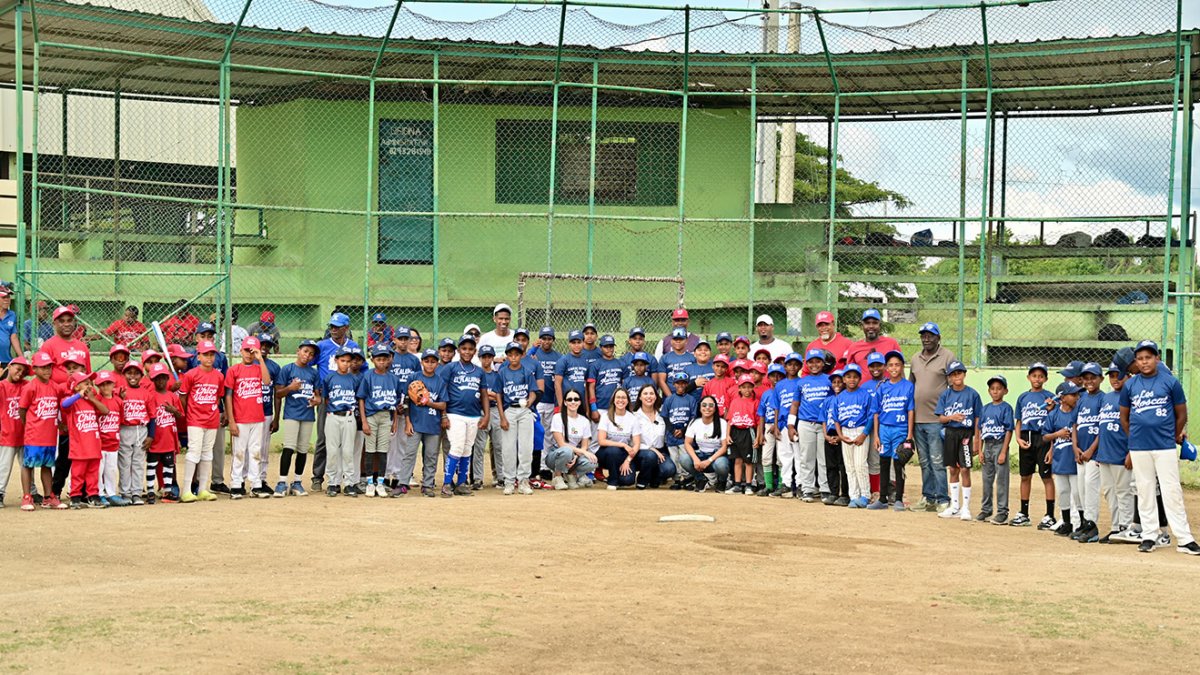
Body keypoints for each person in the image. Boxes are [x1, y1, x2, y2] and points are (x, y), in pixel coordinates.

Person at [1119, 340, 1200, 555]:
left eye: (1148, 357)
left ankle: (1184, 539)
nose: (1144, 362)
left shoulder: (1170, 382)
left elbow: (1181, 414)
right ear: (1136, 361)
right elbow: (1124, 417)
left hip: (1164, 445)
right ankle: (1149, 535)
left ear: (1157, 358)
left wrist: (1173, 435)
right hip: (1139, 447)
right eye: (1140, 358)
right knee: (1145, 490)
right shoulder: (1130, 385)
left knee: (1171, 489)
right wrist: (1133, 438)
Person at [908, 321, 955, 512]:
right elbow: (911, 386)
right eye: (923, 335)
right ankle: (928, 497)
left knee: (937, 461)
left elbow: (953, 387)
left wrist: (948, 416)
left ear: (938, 338)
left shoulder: (947, 356)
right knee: (925, 462)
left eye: (930, 335)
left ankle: (943, 498)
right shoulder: (915, 358)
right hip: (918, 420)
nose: (926, 338)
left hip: (937, 420)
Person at [439, 334, 490, 498]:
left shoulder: (479, 371)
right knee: (457, 447)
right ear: (459, 350)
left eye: (470, 349)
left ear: (475, 351)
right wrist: (444, 415)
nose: (467, 351)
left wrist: (486, 415)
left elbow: (484, 394)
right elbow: (442, 391)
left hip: (474, 415)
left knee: (467, 448)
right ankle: (447, 483)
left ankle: (461, 483)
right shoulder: (451, 368)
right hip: (455, 413)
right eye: (464, 348)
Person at [312, 312, 358, 491]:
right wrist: (316, 391)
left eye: (337, 327)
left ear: (346, 328)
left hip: (346, 399)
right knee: (323, 439)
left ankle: (347, 480)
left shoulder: (353, 346)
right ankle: (318, 477)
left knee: (347, 444)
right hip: (327, 398)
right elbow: (309, 366)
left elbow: (361, 369)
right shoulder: (322, 346)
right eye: (331, 326)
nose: (333, 329)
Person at [18, 352, 67, 510]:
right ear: (34, 369)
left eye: (49, 367)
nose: (47, 370)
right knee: (28, 465)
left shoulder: (55, 387)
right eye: (43, 367)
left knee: (47, 465)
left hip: (50, 435)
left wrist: (60, 424)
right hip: (34, 435)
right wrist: (29, 424)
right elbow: (22, 409)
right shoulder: (30, 387)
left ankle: (48, 497)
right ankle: (27, 497)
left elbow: (59, 408)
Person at [1096, 359, 1137, 543]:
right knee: (1109, 492)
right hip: (1105, 454)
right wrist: (1100, 453)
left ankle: (1126, 527)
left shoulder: (1131, 396)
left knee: (1123, 491)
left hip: (1122, 453)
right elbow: (1102, 427)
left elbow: (1135, 427)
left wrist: (1131, 452)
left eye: (1119, 375)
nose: (1115, 379)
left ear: (1128, 376)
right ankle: (1115, 527)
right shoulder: (1106, 397)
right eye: (1112, 376)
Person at [178, 340, 224, 503]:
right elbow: (183, 397)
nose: (209, 358)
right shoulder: (191, 375)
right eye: (205, 355)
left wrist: (212, 411)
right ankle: (186, 490)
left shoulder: (219, 376)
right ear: (198, 357)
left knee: (207, 453)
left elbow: (218, 397)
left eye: (211, 355)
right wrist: (188, 413)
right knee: (194, 452)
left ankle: (203, 489)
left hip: (211, 420)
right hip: (195, 420)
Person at [935, 360, 982, 521]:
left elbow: (978, 417)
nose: (957, 376)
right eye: (953, 374)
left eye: (959, 373)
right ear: (949, 377)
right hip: (950, 433)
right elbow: (941, 418)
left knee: (964, 469)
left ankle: (965, 507)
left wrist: (977, 438)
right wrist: (951, 417)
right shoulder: (946, 394)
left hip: (966, 435)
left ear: (964, 374)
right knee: (952, 469)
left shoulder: (972, 394)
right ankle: (955, 506)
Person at [274, 339, 321, 497]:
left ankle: (297, 482)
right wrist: (290, 388)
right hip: (292, 414)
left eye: (311, 354)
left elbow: (318, 395)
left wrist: (317, 400)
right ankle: (282, 482)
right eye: (305, 351)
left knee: (302, 450)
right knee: (289, 448)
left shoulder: (313, 373)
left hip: (307, 415)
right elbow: (278, 394)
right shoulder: (288, 369)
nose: (307, 355)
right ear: (298, 351)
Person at [1011, 362, 1056, 529]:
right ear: (1028, 377)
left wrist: (1051, 447)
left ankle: (1050, 515)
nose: (1037, 379)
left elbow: (1055, 422)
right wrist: (1017, 438)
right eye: (1034, 376)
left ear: (1046, 379)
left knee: (1046, 477)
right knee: (1025, 476)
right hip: (1026, 437)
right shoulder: (1023, 397)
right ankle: (1024, 513)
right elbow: (1019, 421)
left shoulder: (1050, 397)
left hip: (1043, 437)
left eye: (1041, 376)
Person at [787, 349, 834, 502]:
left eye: (818, 361)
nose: (814, 365)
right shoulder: (802, 382)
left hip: (823, 424)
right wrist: (791, 426)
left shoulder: (829, 380)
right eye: (811, 362)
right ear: (806, 364)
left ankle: (825, 488)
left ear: (823, 363)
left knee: (823, 458)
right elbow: (795, 404)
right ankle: (807, 489)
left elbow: (833, 402)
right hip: (805, 423)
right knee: (806, 457)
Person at [871, 351, 914, 511]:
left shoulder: (908, 386)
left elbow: (910, 411)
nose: (894, 368)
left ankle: (898, 499)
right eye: (890, 365)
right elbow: (876, 412)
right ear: (886, 368)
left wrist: (909, 435)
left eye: (897, 365)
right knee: (883, 463)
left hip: (900, 429)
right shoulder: (882, 387)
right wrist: (876, 435)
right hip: (884, 429)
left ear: (902, 367)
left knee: (898, 463)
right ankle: (882, 499)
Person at [357, 345, 402, 497]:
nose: (382, 362)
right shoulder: (368, 376)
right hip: (371, 416)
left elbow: (395, 402)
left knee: (383, 450)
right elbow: (361, 399)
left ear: (389, 360)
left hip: (386, 416)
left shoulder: (393, 378)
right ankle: (370, 483)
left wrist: (394, 421)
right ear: (372, 359)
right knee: (370, 450)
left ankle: (380, 482)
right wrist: (364, 421)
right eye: (378, 359)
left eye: (384, 359)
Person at [402, 349, 448, 498]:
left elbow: (443, 405)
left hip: (433, 425)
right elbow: (406, 401)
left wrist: (428, 402)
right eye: (426, 361)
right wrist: (407, 422)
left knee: (431, 456)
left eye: (433, 362)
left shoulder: (440, 381)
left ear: (437, 363)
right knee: (409, 454)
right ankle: (403, 483)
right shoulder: (414, 377)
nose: (429, 364)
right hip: (415, 424)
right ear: (421, 362)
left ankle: (427, 485)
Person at [60, 371, 109, 508]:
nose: (90, 386)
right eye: (86, 383)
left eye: (90, 383)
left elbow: (105, 411)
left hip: (94, 444)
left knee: (93, 473)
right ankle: (75, 496)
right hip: (79, 446)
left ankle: (93, 495)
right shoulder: (71, 401)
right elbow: (64, 405)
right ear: (76, 386)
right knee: (78, 473)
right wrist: (78, 395)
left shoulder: (92, 401)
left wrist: (92, 399)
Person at [831, 364, 875, 508]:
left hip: (861, 430)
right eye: (848, 376)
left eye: (855, 377)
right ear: (844, 379)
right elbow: (836, 419)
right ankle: (854, 496)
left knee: (860, 465)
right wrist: (840, 435)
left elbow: (871, 417)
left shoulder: (865, 395)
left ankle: (865, 495)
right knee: (849, 466)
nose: (852, 379)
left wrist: (864, 434)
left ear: (860, 379)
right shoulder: (839, 397)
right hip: (845, 432)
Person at [497, 341, 538, 494]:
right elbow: (498, 395)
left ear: (521, 355)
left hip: (524, 411)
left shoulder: (527, 372)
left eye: (516, 354)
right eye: (510, 354)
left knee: (526, 447)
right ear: (507, 356)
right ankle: (509, 481)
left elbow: (533, 391)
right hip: (509, 410)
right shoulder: (502, 372)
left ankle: (523, 481)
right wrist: (502, 417)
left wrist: (530, 401)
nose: (513, 357)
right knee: (508, 448)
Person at [1043, 381, 1082, 536]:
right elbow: (1045, 436)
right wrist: (1057, 434)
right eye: (1073, 394)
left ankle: (1081, 523)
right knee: (1064, 492)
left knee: (1077, 493)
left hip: (1074, 460)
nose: (1077, 397)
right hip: (1060, 460)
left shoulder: (1077, 412)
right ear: (1062, 398)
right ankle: (1066, 523)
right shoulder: (1053, 414)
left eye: (1077, 394)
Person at [1071, 363, 1105, 542]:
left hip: (1094, 453)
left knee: (1091, 487)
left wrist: (1091, 450)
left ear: (1101, 379)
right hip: (1081, 453)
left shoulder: (1103, 398)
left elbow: (1103, 427)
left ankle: (1092, 526)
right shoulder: (1082, 399)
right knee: (1081, 489)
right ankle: (1085, 522)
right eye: (1086, 378)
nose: (1089, 381)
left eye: (1093, 378)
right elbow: (1075, 425)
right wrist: (1075, 447)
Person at [115, 360, 154, 506]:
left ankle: (136, 492)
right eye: (129, 373)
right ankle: (125, 492)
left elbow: (152, 416)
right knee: (124, 463)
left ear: (141, 376)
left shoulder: (146, 393)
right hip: (125, 428)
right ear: (124, 374)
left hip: (141, 429)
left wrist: (151, 435)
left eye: (136, 373)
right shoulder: (118, 391)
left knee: (138, 462)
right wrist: (120, 398)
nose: (133, 376)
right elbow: (113, 409)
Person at [977, 375, 1014, 524]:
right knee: (986, 480)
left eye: (999, 388)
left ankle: (1002, 512)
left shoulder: (1006, 408)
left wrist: (1004, 451)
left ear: (1005, 391)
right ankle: (986, 509)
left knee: (1002, 480)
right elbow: (980, 430)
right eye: (992, 388)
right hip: (987, 445)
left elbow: (1009, 430)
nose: (995, 391)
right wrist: (980, 450)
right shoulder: (985, 408)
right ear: (989, 391)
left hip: (999, 445)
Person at [145, 363, 182, 503]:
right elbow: (149, 417)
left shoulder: (172, 396)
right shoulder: (150, 396)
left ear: (167, 378)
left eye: (163, 378)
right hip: (155, 437)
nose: (160, 381)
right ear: (152, 380)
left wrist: (173, 410)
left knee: (168, 465)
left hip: (169, 437)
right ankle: (150, 491)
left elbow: (180, 415)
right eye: (157, 378)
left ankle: (167, 490)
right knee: (152, 464)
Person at [544, 388, 596, 489]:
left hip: (575, 454)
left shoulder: (584, 421)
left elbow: (584, 446)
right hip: (556, 455)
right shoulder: (557, 417)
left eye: (576, 399)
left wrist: (576, 457)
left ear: (580, 402)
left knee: (592, 461)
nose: (573, 402)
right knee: (567, 451)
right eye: (569, 399)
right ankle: (558, 477)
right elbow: (561, 444)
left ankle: (572, 475)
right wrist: (580, 453)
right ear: (565, 402)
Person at [681, 395, 730, 492]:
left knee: (721, 464)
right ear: (699, 408)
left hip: (716, 457)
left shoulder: (722, 423)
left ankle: (722, 481)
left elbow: (724, 447)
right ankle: (701, 479)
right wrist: (695, 459)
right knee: (684, 458)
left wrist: (709, 460)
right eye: (704, 405)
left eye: (711, 405)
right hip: (701, 455)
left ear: (715, 408)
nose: (707, 408)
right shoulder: (694, 422)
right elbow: (687, 443)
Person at [596, 388, 640, 490]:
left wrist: (627, 461)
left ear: (628, 401)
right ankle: (613, 481)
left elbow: (637, 444)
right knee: (613, 451)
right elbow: (601, 441)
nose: (621, 400)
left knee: (628, 480)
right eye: (618, 397)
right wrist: (623, 445)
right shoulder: (606, 416)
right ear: (613, 400)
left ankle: (616, 475)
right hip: (606, 453)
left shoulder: (633, 418)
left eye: (624, 397)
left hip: (623, 454)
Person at [632, 384, 675, 489]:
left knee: (669, 469)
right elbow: (631, 441)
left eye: (651, 393)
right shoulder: (634, 416)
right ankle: (642, 480)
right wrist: (652, 449)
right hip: (640, 451)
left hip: (660, 451)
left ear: (656, 396)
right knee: (650, 456)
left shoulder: (662, 415)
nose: (649, 396)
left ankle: (654, 478)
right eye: (645, 394)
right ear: (640, 397)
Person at [254, 334, 282, 495]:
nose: (264, 347)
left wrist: (276, 418)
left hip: (266, 412)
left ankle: (262, 479)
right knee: (247, 449)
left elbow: (277, 394)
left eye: (268, 345)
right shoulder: (249, 363)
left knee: (263, 449)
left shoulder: (274, 367)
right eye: (261, 344)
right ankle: (242, 480)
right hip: (249, 413)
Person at [723, 374, 758, 495]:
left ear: (753, 387)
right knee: (737, 460)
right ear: (739, 388)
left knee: (748, 461)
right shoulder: (735, 401)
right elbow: (730, 420)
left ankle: (748, 485)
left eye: (749, 387)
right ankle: (737, 485)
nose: (747, 390)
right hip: (735, 431)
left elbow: (758, 422)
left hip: (748, 432)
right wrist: (727, 435)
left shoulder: (755, 402)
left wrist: (758, 437)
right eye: (744, 387)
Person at [0, 357, 28, 508]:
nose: (20, 373)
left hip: (26, 434)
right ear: (9, 367)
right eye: (18, 369)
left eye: (24, 372)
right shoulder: (2, 386)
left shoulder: (26, 385)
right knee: (4, 466)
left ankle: (31, 491)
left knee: (27, 465)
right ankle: (0, 492)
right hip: (8, 433)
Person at [93, 370, 123, 506]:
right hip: (100, 442)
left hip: (113, 442)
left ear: (113, 384)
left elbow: (120, 419)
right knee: (99, 470)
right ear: (98, 386)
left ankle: (111, 493)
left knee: (111, 469)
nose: (105, 387)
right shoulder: (97, 400)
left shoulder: (118, 401)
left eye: (108, 383)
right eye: (102, 384)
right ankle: (100, 493)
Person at [661, 372, 695, 489]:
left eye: (683, 383)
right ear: (674, 384)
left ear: (687, 384)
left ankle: (686, 479)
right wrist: (672, 430)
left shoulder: (691, 399)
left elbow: (693, 417)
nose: (681, 385)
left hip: (685, 434)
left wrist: (683, 430)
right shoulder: (669, 399)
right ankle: (677, 480)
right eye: (678, 383)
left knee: (685, 456)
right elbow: (665, 416)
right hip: (672, 435)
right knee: (674, 457)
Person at [756, 364, 785, 496]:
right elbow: (761, 414)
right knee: (766, 456)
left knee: (781, 457)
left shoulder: (784, 392)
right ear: (768, 378)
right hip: (768, 426)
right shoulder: (766, 394)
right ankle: (768, 486)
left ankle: (781, 485)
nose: (776, 378)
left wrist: (777, 424)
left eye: (779, 376)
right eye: (773, 376)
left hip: (782, 425)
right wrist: (761, 433)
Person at [528, 327, 561, 429]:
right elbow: (524, 361)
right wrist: (532, 350)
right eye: (544, 338)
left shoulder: (559, 357)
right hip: (537, 399)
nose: (546, 341)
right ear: (539, 339)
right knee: (535, 428)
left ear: (553, 340)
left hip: (551, 399)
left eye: (549, 339)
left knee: (549, 429)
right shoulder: (533, 354)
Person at [659, 327, 697, 396]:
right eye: (675, 339)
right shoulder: (665, 358)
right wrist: (671, 398)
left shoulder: (693, 357)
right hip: (670, 395)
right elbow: (661, 381)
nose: (678, 341)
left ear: (686, 341)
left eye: (681, 339)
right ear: (671, 341)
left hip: (689, 395)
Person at [0, 288, 20, 368]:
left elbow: (13, 337)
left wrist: (21, 357)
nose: (7, 300)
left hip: (6, 360)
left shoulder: (12, 315)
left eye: (8, 297)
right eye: (3, 297)